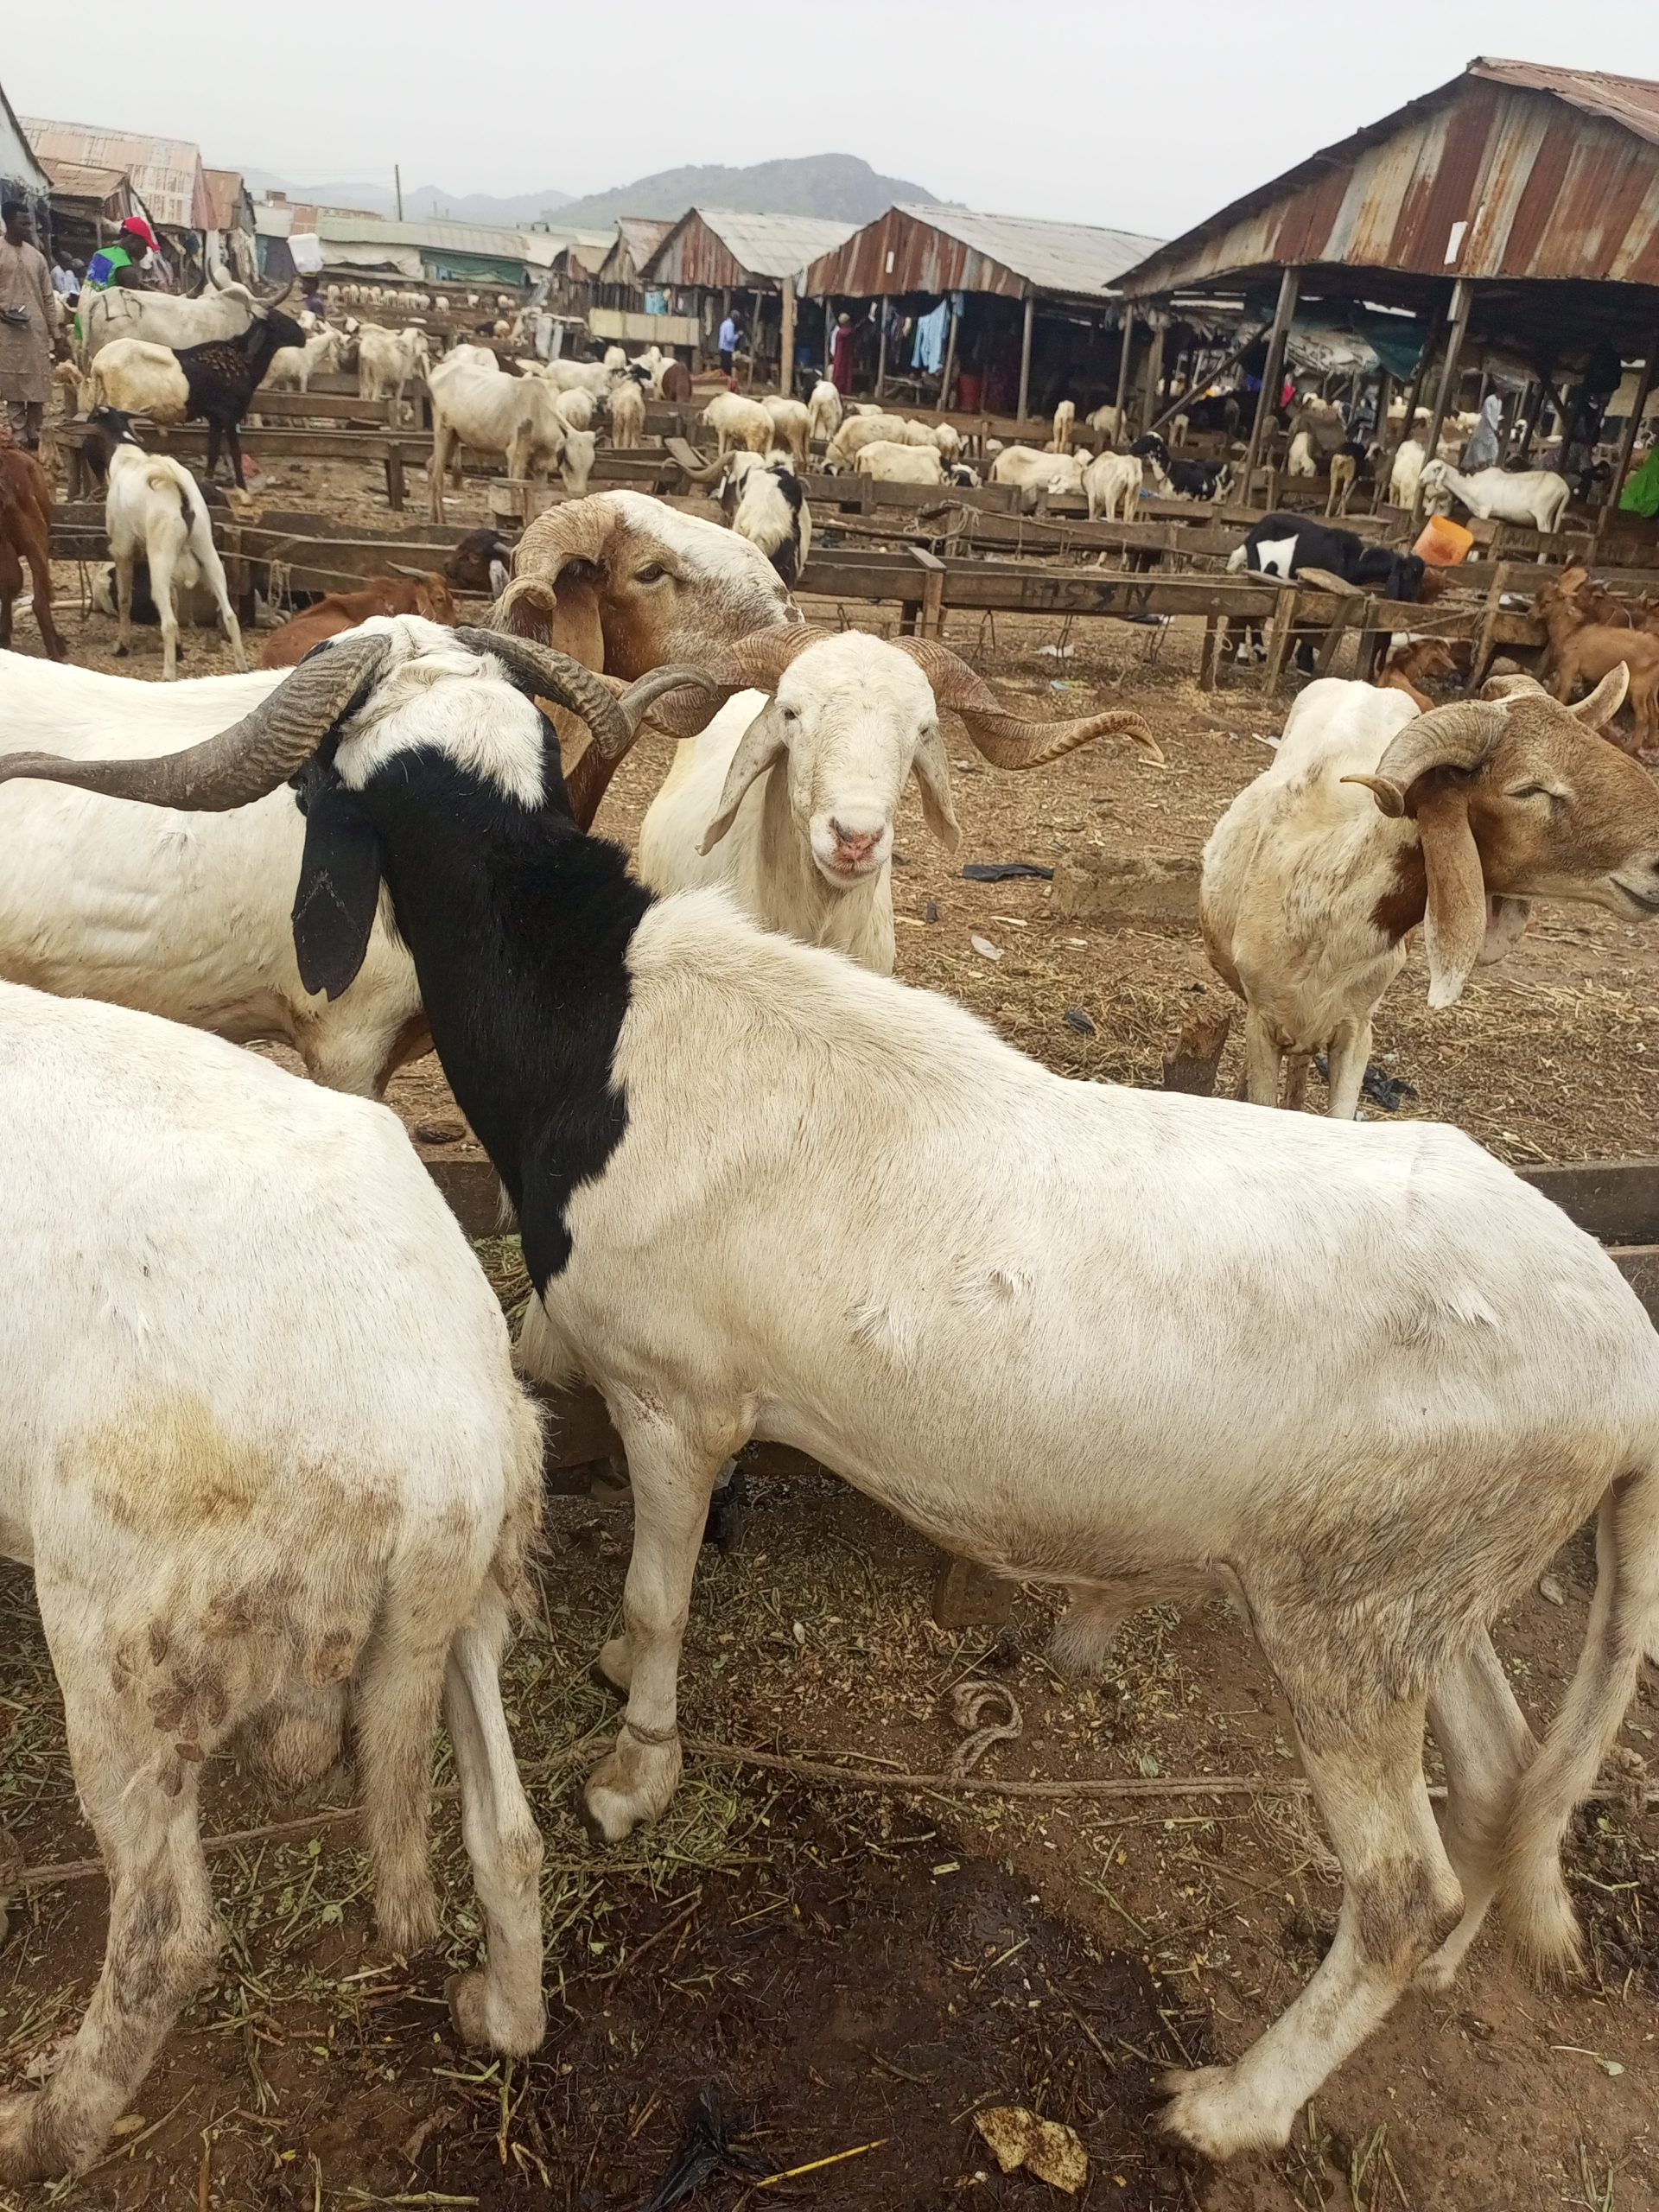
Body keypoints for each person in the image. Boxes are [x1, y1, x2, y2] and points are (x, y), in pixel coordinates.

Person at [0, 200, 65, 450]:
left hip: (35, 330)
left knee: (37, 385)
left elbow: (48, 298)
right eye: (23, 222)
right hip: (6, 331)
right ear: (8, 222)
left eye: (30, 223)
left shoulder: (36, 257)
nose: (28, 227)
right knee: (13, 385)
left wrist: (57, 335)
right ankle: (18, 437)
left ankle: (34, 433)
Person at [830, 309, 855, 396]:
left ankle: (845, 391)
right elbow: (848, 333)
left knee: (846, 373)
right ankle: (838, 390)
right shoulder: (841, 332)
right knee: (840, 374)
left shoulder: (843, 331)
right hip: (841, 356)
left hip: (845, 356)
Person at [717, 307, 741, 380]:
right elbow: (729, 339)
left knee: (723, 369)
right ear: (734, 318)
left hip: (722, 348)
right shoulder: (731, 325)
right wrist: (738, 335)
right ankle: (726, 386)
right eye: (737, 318)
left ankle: (722, 385)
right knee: (727, 371)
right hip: (727, 350)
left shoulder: (724, 323)